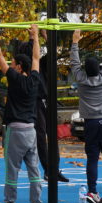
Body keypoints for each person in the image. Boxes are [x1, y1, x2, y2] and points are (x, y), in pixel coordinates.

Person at [0, 22, 42, 203]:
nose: (9, 65)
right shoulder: (34, 79)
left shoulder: (15, 78)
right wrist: (35, 36)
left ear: (18, 67)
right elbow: (36, 57)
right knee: (33, 167)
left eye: (12, 63)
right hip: (31, 130)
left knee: (12, 168)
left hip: (16, 129)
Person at [70, 28, 102, 203]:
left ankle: (92, 191)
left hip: (90, 123)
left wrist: (75, 41)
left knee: (92, 158)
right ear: (98, 69)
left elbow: (74, 63)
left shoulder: (81, 79)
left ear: (85, 69)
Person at [18, 31, 69, 183]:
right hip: (35, 103)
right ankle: (48, 169)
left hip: (45, 101)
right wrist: (33, 38)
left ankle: (53, 169)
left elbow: (54, 53)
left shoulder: (41, 64)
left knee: (52, 135)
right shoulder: (24, 67)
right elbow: (31, 52)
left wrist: (45, 36)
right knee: (40, 136)